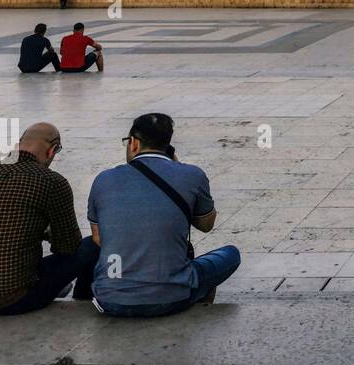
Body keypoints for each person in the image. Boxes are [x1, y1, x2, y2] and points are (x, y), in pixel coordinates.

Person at [87, 113, 241, 316]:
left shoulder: (103, 180)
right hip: (172, 299)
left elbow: (98, 239)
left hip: (111, 300)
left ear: (133, 143)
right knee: (231, 254)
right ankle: (194, 302)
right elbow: (206, 224)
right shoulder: (192, 175)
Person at [0, 122, 99, 314]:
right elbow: (68, 246)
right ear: (53, 150)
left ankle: (51, 286)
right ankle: (82, 296)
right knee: (90, 246)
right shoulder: (51, 181)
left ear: (19, 143)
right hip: (14, 300)